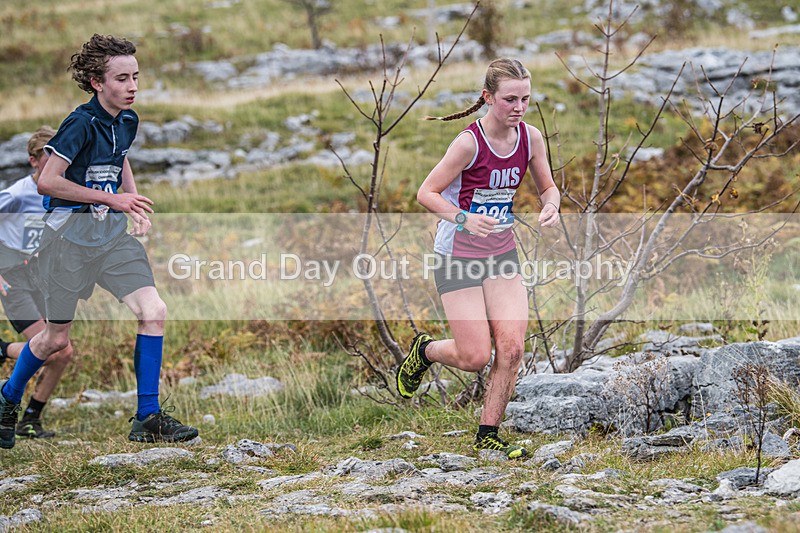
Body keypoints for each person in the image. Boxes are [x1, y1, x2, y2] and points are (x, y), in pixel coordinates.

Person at [0, 34, 198, 449]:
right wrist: (113, 198)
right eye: (122, 78)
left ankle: (147, 417)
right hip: (66, 242)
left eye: (136, 77)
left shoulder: (127, 120)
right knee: (55, 341)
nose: (132, 87)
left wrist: (133, 204)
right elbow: (48, 182)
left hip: (110, 239)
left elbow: (120, 156)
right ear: (96, 82)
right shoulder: (79, 123)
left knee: (154, 310)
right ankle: (7, 400)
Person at [397, 58, 560, 459]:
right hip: (458, 254)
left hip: (501, 252)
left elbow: (548, 187)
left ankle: (488, 433)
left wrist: (551, 207)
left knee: (513, 348)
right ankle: (426, 350)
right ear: (488, 98)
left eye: (524, 98)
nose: (518, 107)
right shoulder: (468, 143)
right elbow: (426, 193)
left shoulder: (531, 138)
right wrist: (464, 219)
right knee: (475, 357)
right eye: (509, 99)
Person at [0, 126, 74, 439]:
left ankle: (31, 419)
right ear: (33, 161)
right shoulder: (17, 194)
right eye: (48, 161)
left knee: (64, 353)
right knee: (55, 350)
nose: (58, 169)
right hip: (13, 275)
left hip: (43, 275)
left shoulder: (66, 189)